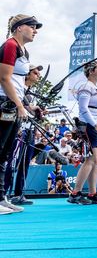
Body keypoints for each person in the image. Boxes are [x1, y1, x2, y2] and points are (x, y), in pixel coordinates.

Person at [0, 15, 42, 214]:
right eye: (32, 26)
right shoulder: (10, 45)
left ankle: (1, 198)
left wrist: (26, 105)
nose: (35, 30)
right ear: (18, 28)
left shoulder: (23, 50)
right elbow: (4, 78)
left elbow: (17, 84)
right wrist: (19, 105)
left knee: (5, 154)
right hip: (4, 105)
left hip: (12, 105)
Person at [67, 61, 97, 205]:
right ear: (91, 71)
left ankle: (92, 193)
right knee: (91, 159)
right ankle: (75, 193)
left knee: (96, 160)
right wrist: (95, 125)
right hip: (90, 127)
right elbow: (83, 109)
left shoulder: (95, 88)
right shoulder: (85, 87)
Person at [5, 64, 45, 205]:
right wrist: (30, 109)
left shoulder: (30, 92)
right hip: (18, 130)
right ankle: (4, 193)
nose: (38, 75)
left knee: (24, 163)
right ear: (26, 74)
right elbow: (18, 107)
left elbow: (31, 112)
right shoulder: (18, 89)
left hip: (29, 131)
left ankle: (19, 193)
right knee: (13, 162)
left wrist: (38, 114)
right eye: (35, 73)